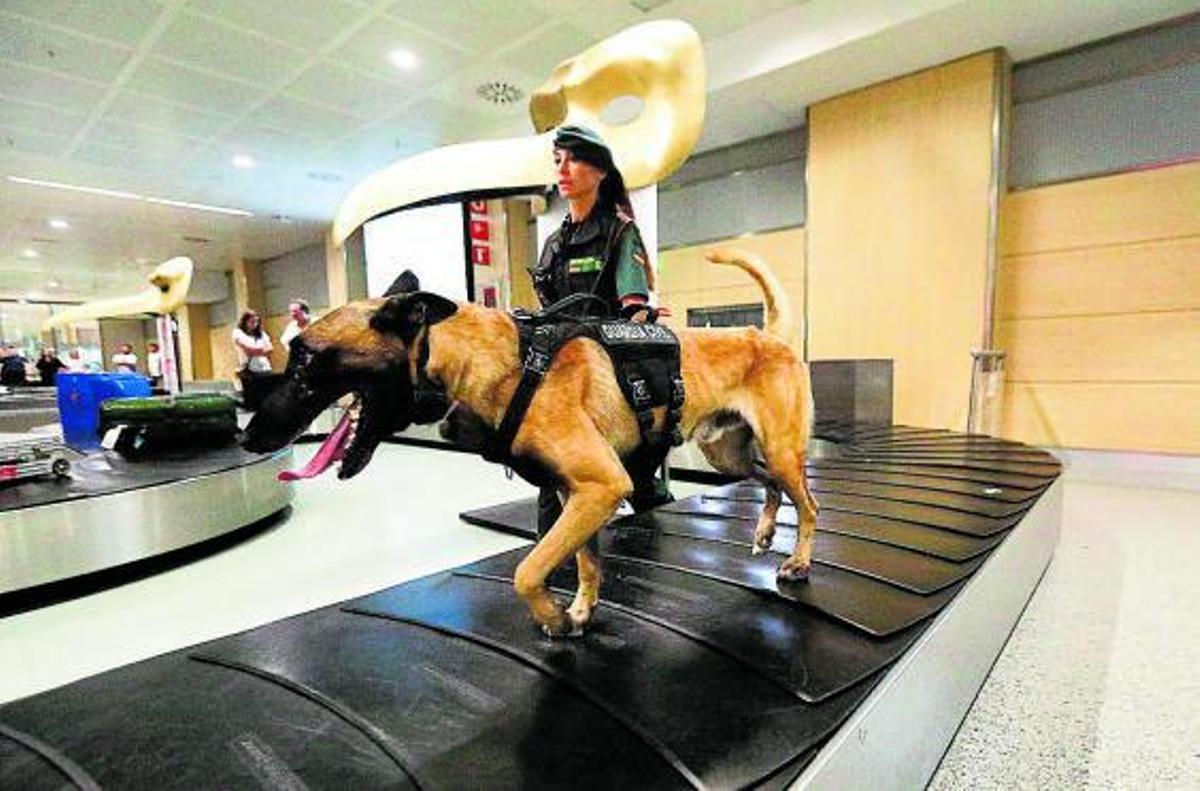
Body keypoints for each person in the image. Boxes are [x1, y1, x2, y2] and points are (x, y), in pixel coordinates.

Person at [527, 124, 672, 537]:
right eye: (558, 160)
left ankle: (663, 558)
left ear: (601, 170)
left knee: (639, 479)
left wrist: (638, 319)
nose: (564, 169)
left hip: (612, 378)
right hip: (563, 379)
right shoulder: (553, 243)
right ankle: (552, 570)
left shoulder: (621, 232)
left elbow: (635, 310)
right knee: (551, 477)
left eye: (574, 159)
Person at [233, 310, 275, 410]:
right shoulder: (238, 333)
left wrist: (258, 351)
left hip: (265, 368)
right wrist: (262, 350)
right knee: (253, 403)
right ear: (245, 322)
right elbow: (249, 351)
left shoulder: (261, 334)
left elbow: (270, 349)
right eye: (251, 322)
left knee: (267, 400)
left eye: (256, 322)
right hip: (250, 370)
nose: (254, 324)